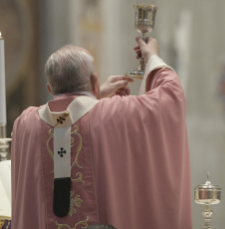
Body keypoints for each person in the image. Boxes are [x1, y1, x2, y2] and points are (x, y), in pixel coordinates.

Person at [11, 37, 193, 229]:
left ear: (50, 88)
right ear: (94, 80)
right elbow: (170, 96)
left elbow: (67, 118)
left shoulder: (24, 124)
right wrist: (152, 57)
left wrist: (94, 95)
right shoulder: (112, 114)